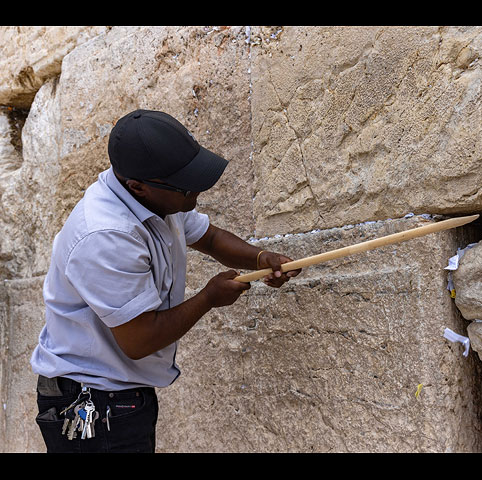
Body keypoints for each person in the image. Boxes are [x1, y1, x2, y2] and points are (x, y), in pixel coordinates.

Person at [30, 109, 300, 453]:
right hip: (90, 403)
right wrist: (208, 298)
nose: (196, 193)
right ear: (138, 187)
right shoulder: (105, 235)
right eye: (187, 187)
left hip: (119, 394)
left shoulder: (159, 196)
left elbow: (210, 238)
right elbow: (140, 339)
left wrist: (261, 259)